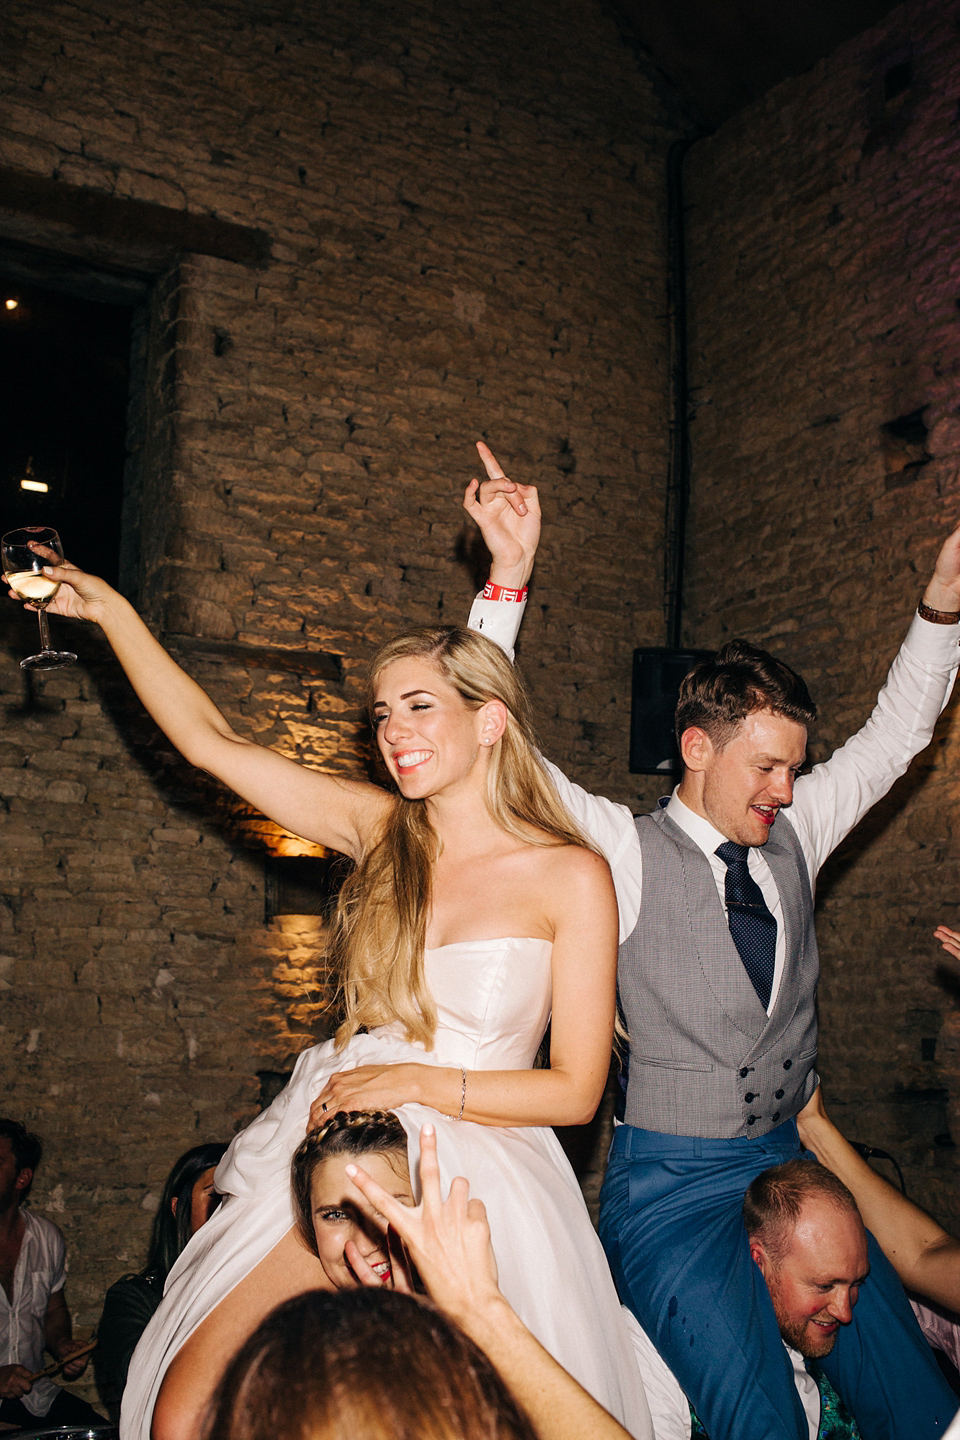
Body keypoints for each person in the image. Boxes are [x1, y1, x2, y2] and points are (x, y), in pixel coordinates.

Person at [19, 495, 652, 1440]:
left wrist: (417, 1079)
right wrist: (111, 611)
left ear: (490, 722)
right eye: (385, 711)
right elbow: (212, 743)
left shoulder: (572, 875)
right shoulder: (381, 833)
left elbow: (574, 1092)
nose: (394, 730)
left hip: (466, 1168)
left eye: (421, 706)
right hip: (330, 1145)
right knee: (192, 1408)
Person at [465, 467, 960, 1439]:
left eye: (796, 765)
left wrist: (943, 597)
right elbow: (498, 753)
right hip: (670, 1183)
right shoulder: (622, 848)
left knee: (912, 1391)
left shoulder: (800, 825)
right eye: (766, 765)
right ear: (697, 748)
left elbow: (900, 732)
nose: (786, 786)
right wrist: (508, 579)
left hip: (788, 1163)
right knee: (753, 1413)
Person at [630, 1159, 873, 1440]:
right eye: (824, 1286)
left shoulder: (843, 1351)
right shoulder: (657, 1348)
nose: (844, 1312)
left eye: (856, 1283)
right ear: (759, 1263)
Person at [95, 1142, 228, 1422]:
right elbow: (143, 1388)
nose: (228, 1209)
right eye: (216, 1195)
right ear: (179, 1208)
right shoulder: (133, 1298)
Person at [0, 1117, 104, 1428]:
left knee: (102, 1431)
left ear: (22, 1178)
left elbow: (53, 1310)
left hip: (33, 1397)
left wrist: (62, 1346)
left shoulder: (46, 1238)